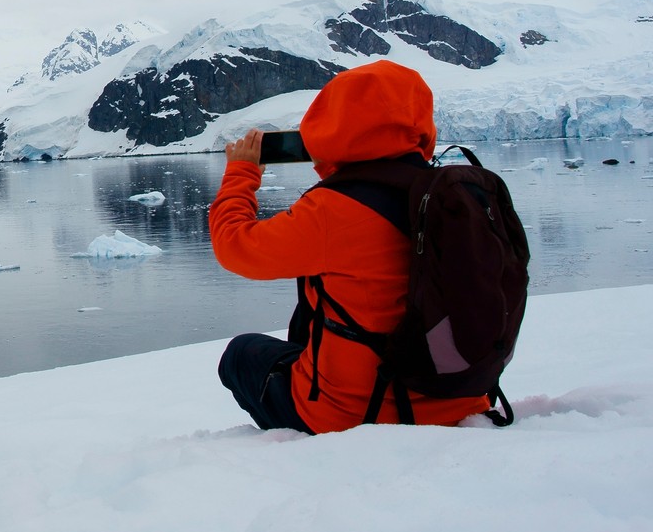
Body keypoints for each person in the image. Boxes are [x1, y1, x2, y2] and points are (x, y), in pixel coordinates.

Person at [209, 59, 492, 433]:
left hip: (358, 413)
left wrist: (241, 172)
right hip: (464, 399)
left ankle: (304, 436)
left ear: (332, 124)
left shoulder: (336, 209)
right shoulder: (464, 196)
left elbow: (235, 247)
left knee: (242, 355)